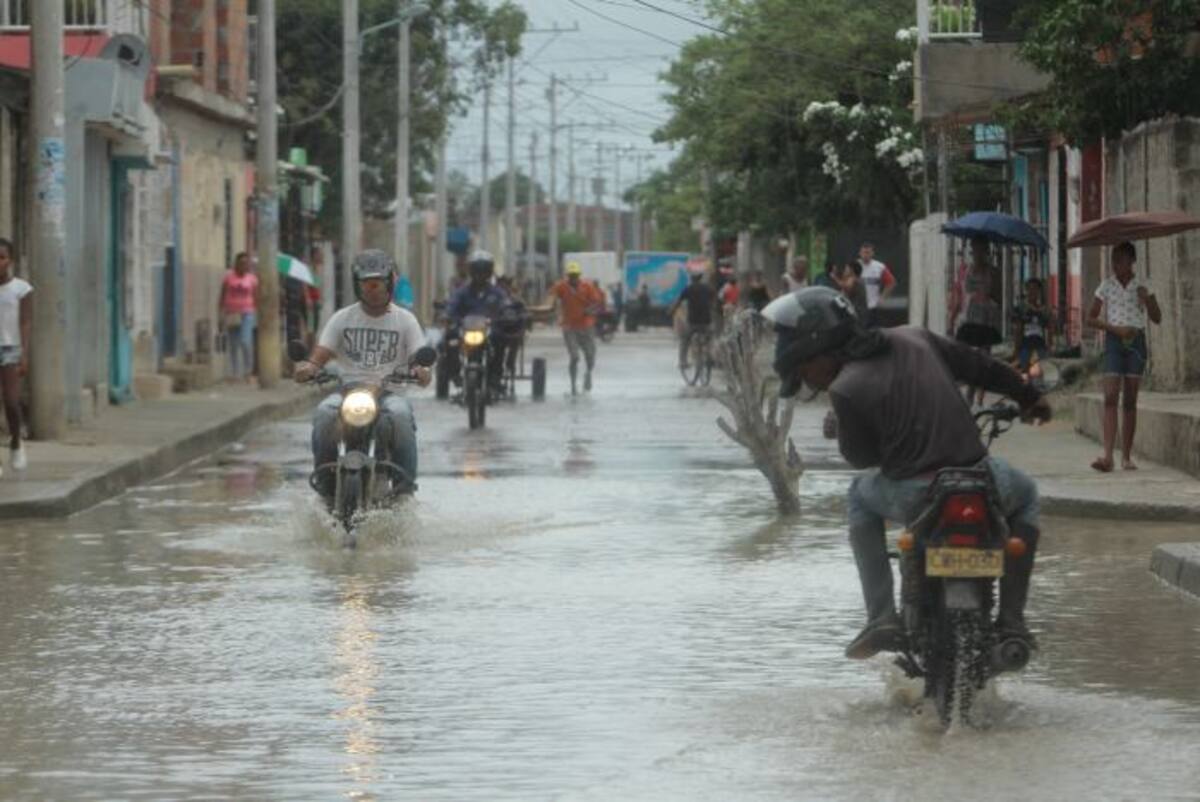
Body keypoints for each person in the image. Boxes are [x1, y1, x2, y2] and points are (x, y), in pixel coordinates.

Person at [762, 286, 1050, 659]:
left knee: (858, 495)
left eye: (804, 369)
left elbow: (862, 459)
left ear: (823, 349)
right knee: (1026, 493)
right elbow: (981, 367)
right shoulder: (916, 338)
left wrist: (844, 427)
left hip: (917, 495)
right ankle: (1012, 621)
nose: (810, 381)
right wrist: (1029, 397)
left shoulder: (845, 390)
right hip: (980, 480)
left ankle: (881, 616)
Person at [294, 250, 430, 503]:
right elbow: (321, 353)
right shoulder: (342, 317)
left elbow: (418, 357)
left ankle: (405, 490)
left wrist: (421, 371)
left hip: (389, 392)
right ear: (357, 285)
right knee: (324, 414)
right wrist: (308, 367)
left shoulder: (405, 320)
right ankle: (325, 487)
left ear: (389, 283)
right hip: (349, 390)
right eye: (367, 284)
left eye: (378, 283)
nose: (373, 290)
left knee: (401, 415)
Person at [1086, 241, 1162, 472]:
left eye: (1120, 259)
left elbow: (1157, 318)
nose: (1115, 264)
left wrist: (1148, 299)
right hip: (1114, 342)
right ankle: (1107, 456)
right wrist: (1115, 329)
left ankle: (1126, 457)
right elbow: (1090, 318)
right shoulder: (1106, 285)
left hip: (1136, 344)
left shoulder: (1143, 285)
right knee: (1110, 396)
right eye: (1114, 260)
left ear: (1132, 261)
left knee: (1130, 400)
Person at [446, 250, 510, 396]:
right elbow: (452, 307)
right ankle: (455, 374)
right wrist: (448, 315)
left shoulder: (497, 293)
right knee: (449, 340)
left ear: (489, 272)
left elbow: (505, 306)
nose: (480, 274)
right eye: (477, 271)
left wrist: (507, 314)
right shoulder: (462, 292)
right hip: (465, 331)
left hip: (489, 331)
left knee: (500, 340)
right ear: (471, 271)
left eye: (484, 271)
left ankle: (495, 377)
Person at [948, 237, 1002, 407]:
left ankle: (979, 398)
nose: (977, 253)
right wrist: (951, 319)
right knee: (968, 359)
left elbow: (999, 297)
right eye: (975, 250)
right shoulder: (964, 270)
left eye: (981, 250)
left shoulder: (994, 272)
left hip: (987, 320)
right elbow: (958, 296)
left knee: (985, 361)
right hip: (969, 319)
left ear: (986, 251)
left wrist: (988, 297)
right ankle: (969, 395)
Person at [549, 261, 606, 395]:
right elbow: (551, 296)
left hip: (586, 326)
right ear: (568, 276)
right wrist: (550, 306)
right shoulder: (562, 286)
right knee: (574, 357)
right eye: (571, 276)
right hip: (569, 327)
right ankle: (573, 385)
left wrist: (589, 310)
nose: (573, 278)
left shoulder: (587, 287)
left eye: (575, 275)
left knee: (590, 356)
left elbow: (597, 303)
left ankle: (588, 373)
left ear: (579, 276)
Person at [0, 238, 31, 475]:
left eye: (2, 257)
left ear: (10, 260)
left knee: (11, 401)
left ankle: (16, 442)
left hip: (10, 349)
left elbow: (25, 322)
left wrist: (24, 354)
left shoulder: (21, 289)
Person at [218, 252, 258, 383]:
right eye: (241, 263)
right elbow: (222, 296)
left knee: (245, 342)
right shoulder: (229, 278)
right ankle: (234, 373)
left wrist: (257, 313)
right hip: (232, 314)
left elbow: (256, 296)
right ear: (236, 264)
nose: (243, 265)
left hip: (247, 313)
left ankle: (248, 372)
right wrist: (220, 315)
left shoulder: (252, 279)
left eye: (246, 263)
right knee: (233, 344)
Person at [670, 270, 717, 370]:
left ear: (692, 279)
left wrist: (671, 311)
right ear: (700, 279)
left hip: (693, 321)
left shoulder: (688, 289)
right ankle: (710, 356)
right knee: (710, 338)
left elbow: (678, 301)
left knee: (685, 340)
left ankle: (683, 362)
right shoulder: (707, 288)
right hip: (706, 320)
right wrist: (712, 308)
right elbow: (714, 300)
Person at [1011, 277, 1053, 382]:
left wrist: (1049, 345)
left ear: (1039, 292)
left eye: (1035, 289)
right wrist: (1016, 348)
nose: (1032, 292)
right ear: (1026, 290)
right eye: (1030, 289)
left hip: (1040, 345)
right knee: (1024, 371)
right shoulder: (1020, 309)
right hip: (1025, 345)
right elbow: (1017, 329)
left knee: (1041, 371)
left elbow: (1049, 328)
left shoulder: (1044, 310)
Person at [856, 241, 897, 326]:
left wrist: (882, 298)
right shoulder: (854, 266)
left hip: (873, 306)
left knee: (872, 330)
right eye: (864, 252)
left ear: (872, 253)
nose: (865, 255)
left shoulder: (879, 267)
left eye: (868, 252)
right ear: (859, 253)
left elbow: (891, 282)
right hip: (857, 307)